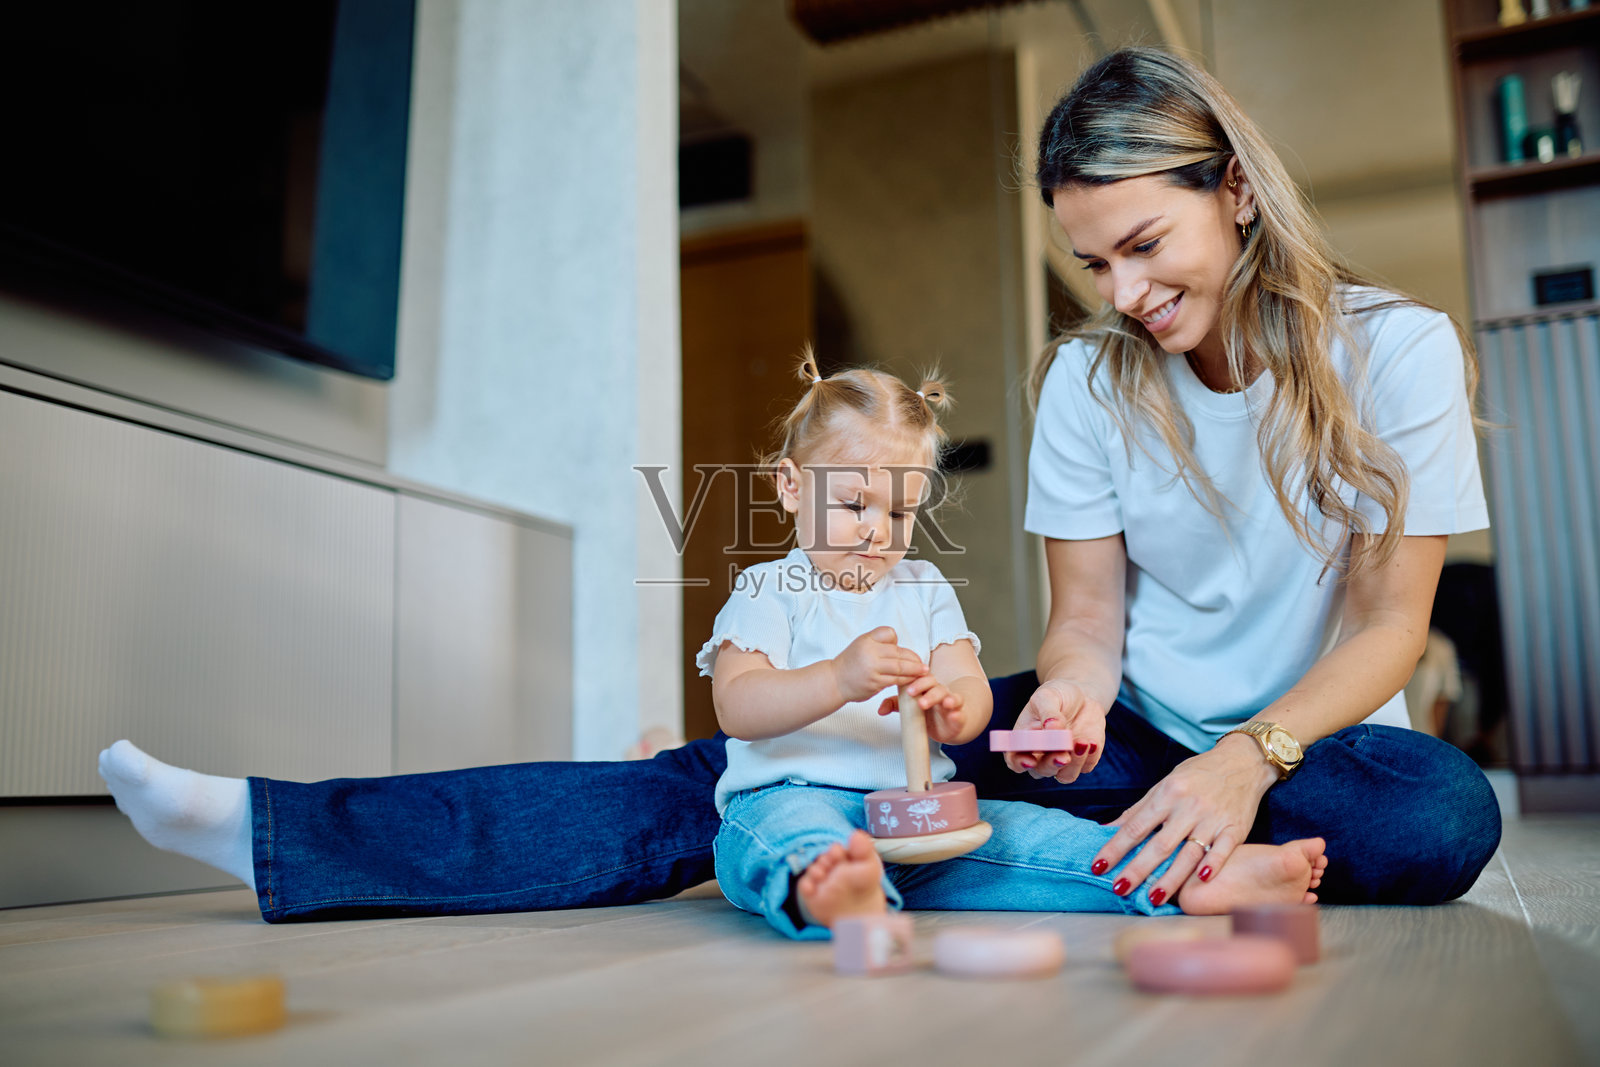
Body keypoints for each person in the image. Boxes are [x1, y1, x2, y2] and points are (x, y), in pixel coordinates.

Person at [97, 46, 1499, 923]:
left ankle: (1161, 840)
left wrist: (1244, 756)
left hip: (1310, 750)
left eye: (1144, 243)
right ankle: (283, 831)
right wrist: (1068, 701)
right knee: (736, 779)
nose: (1125, 294)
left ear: (1236, 191)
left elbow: (1389, 624)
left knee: (1439, 813)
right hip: (1128, 738)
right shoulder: (1090, 383)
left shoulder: (1395, 352)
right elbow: (1087, 623)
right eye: (1094, 264)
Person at [703, 353, 1323, 938]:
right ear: (790, 486)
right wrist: (837, 679)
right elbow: (738, 704)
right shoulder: (770, 590)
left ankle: (1184, 878)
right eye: (852, 503)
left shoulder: (922, 587)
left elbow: (968, 691)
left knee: (1030, 836)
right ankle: (833, 891)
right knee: (790, 836)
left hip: (921, 818)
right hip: (789, 798)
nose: (875, 531)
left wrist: (954, 708)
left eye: (899, 513)